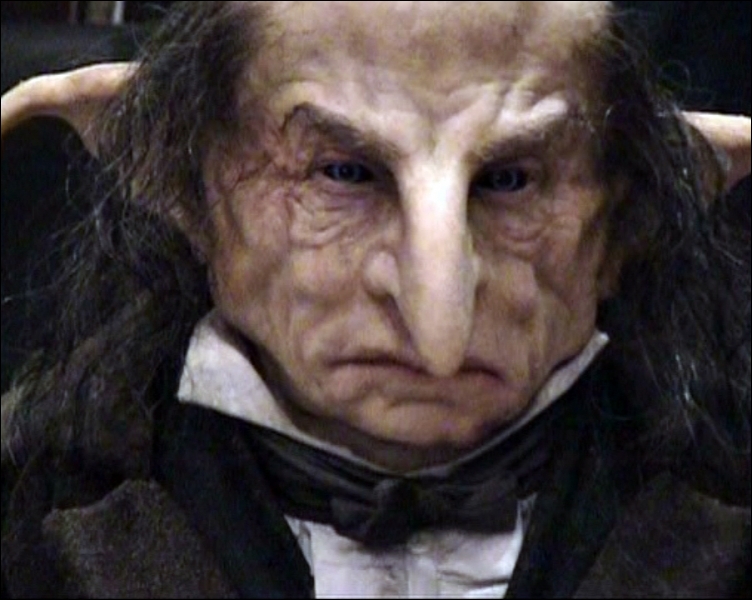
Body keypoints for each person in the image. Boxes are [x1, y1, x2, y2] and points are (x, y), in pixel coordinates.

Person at [1, 1, 750, 597]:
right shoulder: (32, 513)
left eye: (510, 181)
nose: (438, 333)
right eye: (344, 173)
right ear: (185, 186)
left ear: (624, 223)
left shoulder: (722, 521)